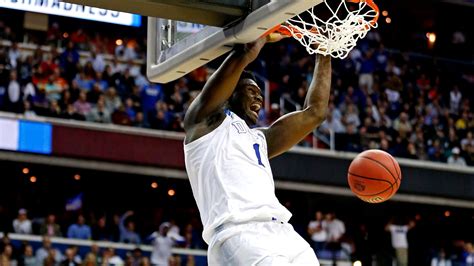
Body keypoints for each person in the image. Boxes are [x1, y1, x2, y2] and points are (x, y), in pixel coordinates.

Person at [183, 35, 331, 265]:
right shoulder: (204, 123)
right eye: (250, 90)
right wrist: (263, 28)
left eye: (260, 92)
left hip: (283, 232)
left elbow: (315, 112)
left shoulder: (261, 139)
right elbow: (243, 55)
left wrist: (324, 54)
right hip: (238, 233)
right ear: (230, 94)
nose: (259, 96)